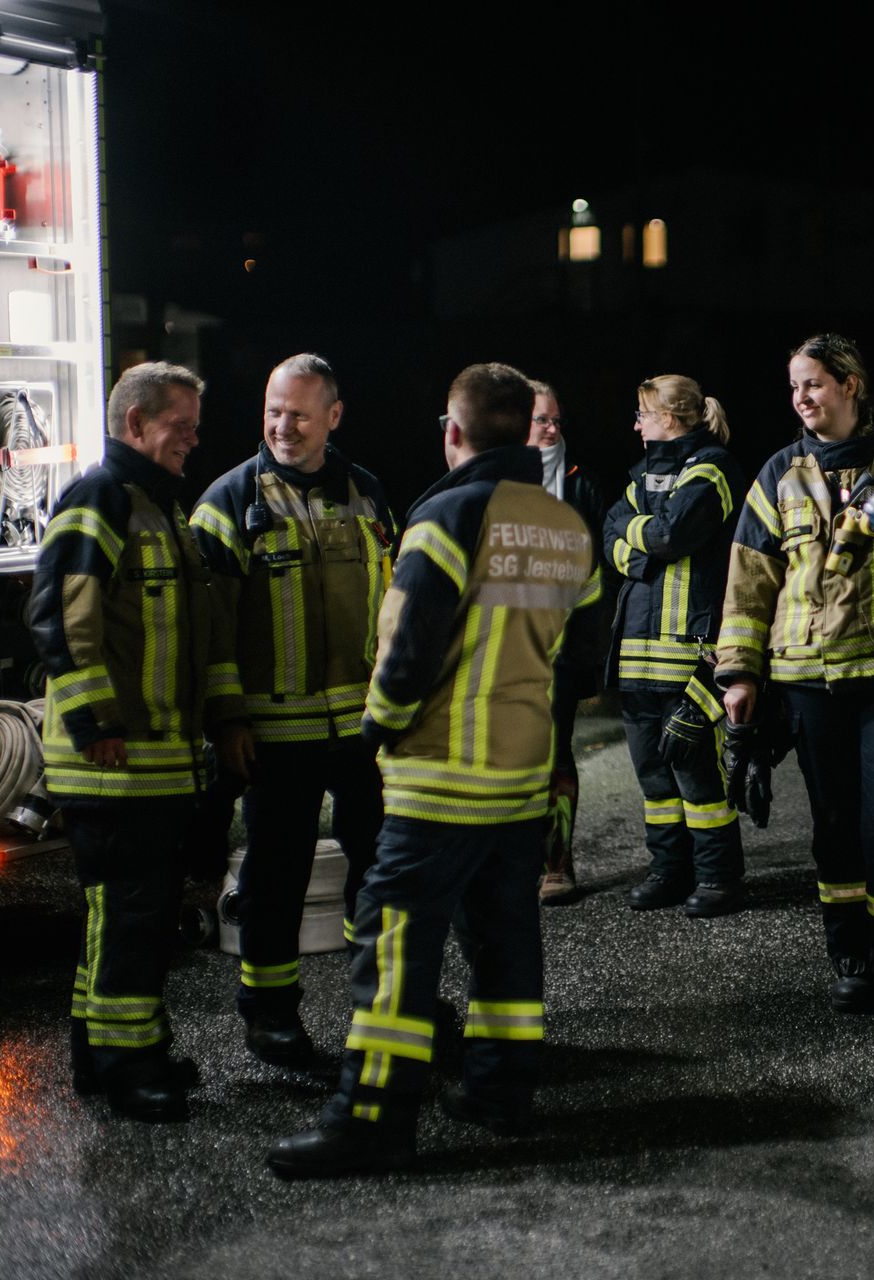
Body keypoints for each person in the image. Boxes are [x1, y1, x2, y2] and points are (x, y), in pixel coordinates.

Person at [268, 362, 598, 1177]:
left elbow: (408, 648)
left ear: (453, 431)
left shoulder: (445, 516)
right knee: (506, 939)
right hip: (521, 772)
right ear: (525, 430)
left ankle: (372, 1119)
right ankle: (500, 1091)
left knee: (393, 944)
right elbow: (578, 651)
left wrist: (376, 728)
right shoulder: (564, 524)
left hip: (441, 775)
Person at [27, 361, 239, 1123]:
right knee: (132, 920)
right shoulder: (102, 499)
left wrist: (223, 721)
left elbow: (199, 635)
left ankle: (103, 1054)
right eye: (180, 425)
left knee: (121, 917)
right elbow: (60, 615)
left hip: (152, 766)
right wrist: (98, 725)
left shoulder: (160, 508)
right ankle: (131, 1069)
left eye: (195, 426)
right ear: (135, 424)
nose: (193, 439)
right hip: (114, 767)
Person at [716, 333, 874, 1018]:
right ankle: (851, 960)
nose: (801, 398)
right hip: (809, 682)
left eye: (812, 383)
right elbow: (750, 584)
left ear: (850, 384)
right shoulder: (778, 474)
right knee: (833, 826)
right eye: (794, 387)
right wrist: (740, 675)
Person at [189, 354, 397, 1067]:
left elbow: (393, 602)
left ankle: (387, 1002)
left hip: (364, 729)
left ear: (332, 417)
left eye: (299, 414)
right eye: (273, 411)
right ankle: (270, 1016)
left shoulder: (366, 493)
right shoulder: (228, 501)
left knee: (382, 870)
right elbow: (210, 629)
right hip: (275, 735)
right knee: (275, 879)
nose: (282, 426)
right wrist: (226, 721)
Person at [602, 375, 746, 916]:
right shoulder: (640, 475)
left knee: (697, 773)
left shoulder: (713, 468)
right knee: (654, 778)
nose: (636, 425)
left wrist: (641, 540)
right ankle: (669, 869)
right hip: (636, 656)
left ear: (668, 418)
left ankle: (718, 877)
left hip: (690, 653)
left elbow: (672, 534)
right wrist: (644, 552)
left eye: (642, 414)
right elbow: (609, 534)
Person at [526, 379, 614, 905]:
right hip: (500, 649)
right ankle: (509, 865)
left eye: (557, 420)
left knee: (555, 753)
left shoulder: (581, 486)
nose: (552, 429)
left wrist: (585, 654)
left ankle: (557, 864)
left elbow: (595, 579)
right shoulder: (490, 478)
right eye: (542, 419)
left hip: (557, 650)